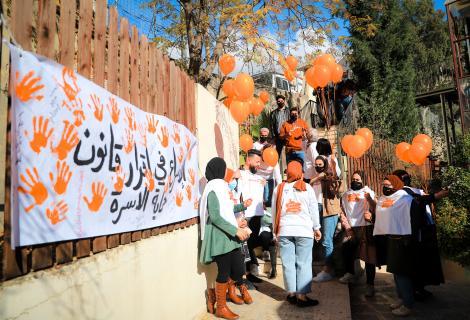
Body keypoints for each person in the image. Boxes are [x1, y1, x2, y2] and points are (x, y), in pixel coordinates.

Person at [372, 175, 448, 317]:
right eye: (384, 184)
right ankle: (401, 298)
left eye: (388, 185)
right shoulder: (384, 200)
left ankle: (408, 304)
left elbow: (416, 220)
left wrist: (411, 240)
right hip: (391, 240)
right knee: (395, 272)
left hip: (404, 242)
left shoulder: (407, 200)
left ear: (396, 185)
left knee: (402, 274)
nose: (385, 187)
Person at [199, 157, 253, 319]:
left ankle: (213, 296)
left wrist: (243, 205)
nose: (225, 172)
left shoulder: (220, 187)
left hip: (228, 234)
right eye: (223, 169)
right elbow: (215, 216)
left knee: (237, 268)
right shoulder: (213, 188)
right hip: (219, 236)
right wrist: (235, 231)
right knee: (224, 271)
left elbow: (227, 209)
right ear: (219, 170)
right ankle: (220, 308)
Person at [272, 160, 322, 307]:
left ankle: (291, 293)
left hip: (284, 230)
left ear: (287, 172)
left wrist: (275, 232)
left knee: (288, 263)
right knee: (304, 263)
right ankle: (301, 296)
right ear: (301, 173)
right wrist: (317, 227)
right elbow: (313, 209)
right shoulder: (307, 187)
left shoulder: (279, 188)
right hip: (304, 231)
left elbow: (275, 210)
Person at [392, 169, 445, 301]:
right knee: (413, 264)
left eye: (407, 177)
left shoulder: (415, 191)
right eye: (403, 178)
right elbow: (422, 200)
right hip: (410, 235)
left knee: (423, 262)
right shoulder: (398, 195)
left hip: (424, 231)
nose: (406, 180)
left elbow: (424, 201)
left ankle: (418, 289)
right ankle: (411, 292)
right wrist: (436, 196)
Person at [338, 170, 378, 297]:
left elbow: (375, 208)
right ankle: (350, 273)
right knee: (347, 250)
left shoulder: (369, 192)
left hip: (366, 228)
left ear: (363, 180)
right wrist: (347, 227)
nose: (355, 181)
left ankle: (370, 285)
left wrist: (370, 209)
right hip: (351, 228)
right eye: (353, 179)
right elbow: (342, 211)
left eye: (358, 179)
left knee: (369, 258)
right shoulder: (345, 195)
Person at [311, 156, 342, 283]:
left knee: (327, 240)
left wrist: (333, 166)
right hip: (315, 209)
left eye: (320, 164)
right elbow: (309, 184)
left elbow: (335, 182)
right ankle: (318, 267)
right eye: (316, 164)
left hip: (329, 209)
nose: (318, 166)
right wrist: (317, 177)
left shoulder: (329, 175)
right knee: (315, 239)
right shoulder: (315, 176)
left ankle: (328, 271)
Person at [238, 149, 265, 283]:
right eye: (257, 161)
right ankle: (246, 275)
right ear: (248, 160)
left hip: (258, 215)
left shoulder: (259, 177)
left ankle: (250, 273)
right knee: (245, 246)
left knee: (251, 245)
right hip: (247, 216)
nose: (259, 165)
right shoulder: (241, 174)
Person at [258, 208, 278, 279]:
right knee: (266, 237)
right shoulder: (262, 210)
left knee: (272, 245)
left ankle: (274, 269)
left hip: (273, 232)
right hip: (264, 231)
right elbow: (267, 220)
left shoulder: (273, 209)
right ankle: (265, 251)